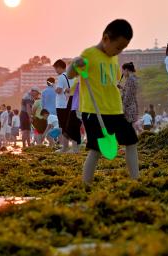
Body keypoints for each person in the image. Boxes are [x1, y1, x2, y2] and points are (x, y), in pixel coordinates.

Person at [67, 19, 140, 184]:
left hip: (115, 110)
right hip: (95, 112)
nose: (118, 52)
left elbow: (111, 82)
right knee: (96, 150)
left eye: (123, 49)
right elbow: (71, 74)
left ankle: (135, 179)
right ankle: (86, 184)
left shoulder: (113, 57)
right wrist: (74, 64)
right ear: (106, 39)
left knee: (131, 141)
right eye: (118, 47)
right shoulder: (89, 54)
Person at [54, 59, 76, 152]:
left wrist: (56, 89)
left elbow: (59, 90)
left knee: (63, 126)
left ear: (59, 67)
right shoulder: (72, 76)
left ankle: (65, 147)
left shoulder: (61, 77)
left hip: (62, 105)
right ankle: (74, 147)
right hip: (71, 103)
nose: (56, 71)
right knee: (72, 125)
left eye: (56, 69)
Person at [120, 62, 139, 132]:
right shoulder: (134, 78)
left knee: (129, 129)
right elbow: (130, 91)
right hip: (133, 106)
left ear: (127, 70)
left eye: (123, 71)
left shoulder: (130, 79)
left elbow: (128, 96)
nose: (122, 73)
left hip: (129, 108)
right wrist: (122, 88)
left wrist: (123, 106)